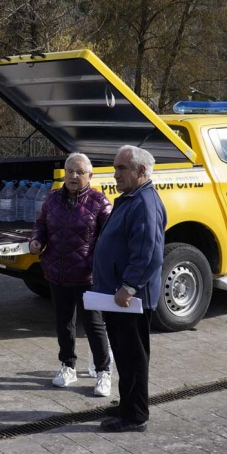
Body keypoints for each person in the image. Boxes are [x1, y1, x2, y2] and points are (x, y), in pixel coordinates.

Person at [93, 145, 167, 433]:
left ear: (141, 171)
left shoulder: (144, 202)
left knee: (132, 356)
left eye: (122, 169)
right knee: (124, 354)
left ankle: (135, 416)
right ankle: (129, 403)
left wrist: (130, 286)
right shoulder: (132, 198)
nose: (116, 175)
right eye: (115, 168)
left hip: (129, 300)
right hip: (119, 298)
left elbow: (149, 253)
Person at [30, 152, 113, 396]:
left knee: (93, 325)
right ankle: (67, 366)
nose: (73, 176)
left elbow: (108, 238)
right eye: (69, 172)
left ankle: (103, 372)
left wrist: (97, 264)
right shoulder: (53, 198)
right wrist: (36, 241)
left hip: (87, 276)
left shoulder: (100, 202)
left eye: (79, 172)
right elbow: (41, 224)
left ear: (90, 175)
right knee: (63, 323)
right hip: (57, 272)